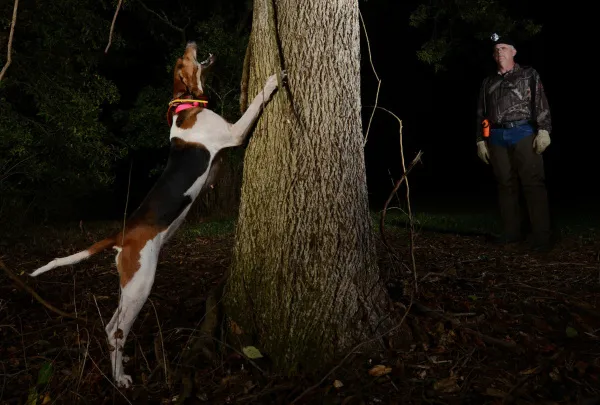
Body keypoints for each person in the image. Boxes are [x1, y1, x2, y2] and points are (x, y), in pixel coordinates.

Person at [475, 33, 552, 252]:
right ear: (493, 55)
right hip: (497, 137)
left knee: (533, 183)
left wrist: (544, 130)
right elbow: (481, 114)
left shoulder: (528, 74)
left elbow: (541, 103)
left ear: (513, 52)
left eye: (504, 48)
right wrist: (480, 140)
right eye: (497, 49)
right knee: (505, 185)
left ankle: (541, 237)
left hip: (524, 132)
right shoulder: (488, 81)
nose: (500, 52)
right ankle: (511, 233)